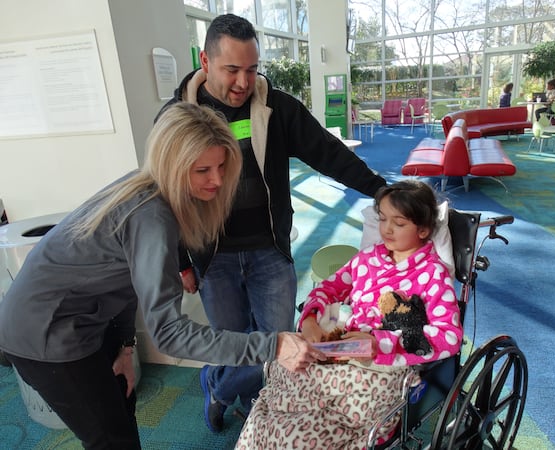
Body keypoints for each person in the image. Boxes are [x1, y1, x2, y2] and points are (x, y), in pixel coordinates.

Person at [0, 103, 325, 450]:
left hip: (86, 315)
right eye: (202, 170)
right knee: (111, 437)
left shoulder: (153, 189)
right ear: (173, 166)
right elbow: (170, 333)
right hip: (43, 332)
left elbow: (122, 280)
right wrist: (272, 345)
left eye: (221, 166)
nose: (216, 180)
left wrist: (125, 347)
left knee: (121, 409)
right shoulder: (151, 215)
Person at [157, 13, 387, 432]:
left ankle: (221, 388)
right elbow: (166, 194)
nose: (243, 82)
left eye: (252, 69)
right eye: (232, 70)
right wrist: (180, 260)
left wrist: (379, 190)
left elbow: (328, 152)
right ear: (206, 63)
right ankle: (244, 399)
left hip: (269, 251)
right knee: (232, 343)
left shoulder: (277, 107)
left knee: (281, 344)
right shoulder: (177, 117)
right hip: (213, 256)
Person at [235, 180, 463, 449]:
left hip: (385, 367)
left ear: (423, 230)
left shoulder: (433, 274)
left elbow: (449, 336)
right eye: (383, 219)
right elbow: (328, 289)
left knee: (300, 433)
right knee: (280, 381)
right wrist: (309, 319)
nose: (387, 229)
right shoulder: (367, 259)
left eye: (399, 223)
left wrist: (379, 343)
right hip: (343, 350)